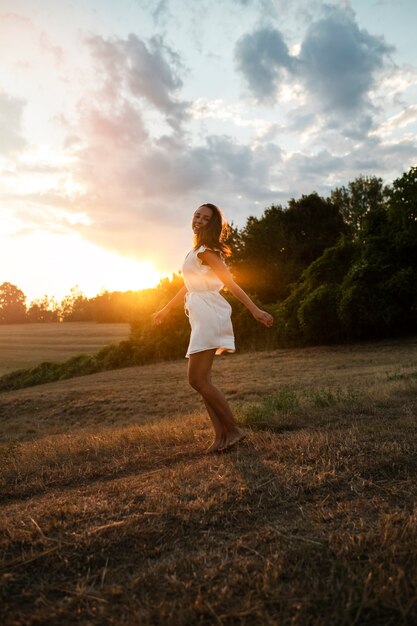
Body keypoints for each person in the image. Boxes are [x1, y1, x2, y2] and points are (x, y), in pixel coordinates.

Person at [152, 203, 274, 454]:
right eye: (197, 215)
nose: (198, 220)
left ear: (212, 224)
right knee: (202, 380)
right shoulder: (195, 251)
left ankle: (234, 430)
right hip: (199, 312)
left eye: (205, 218)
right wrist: (166, 309)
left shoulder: (208, 252)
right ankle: (221, 437)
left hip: (209, 312)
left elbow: (231, 283)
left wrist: (255, 310)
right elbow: (187, 285)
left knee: (196, 379)